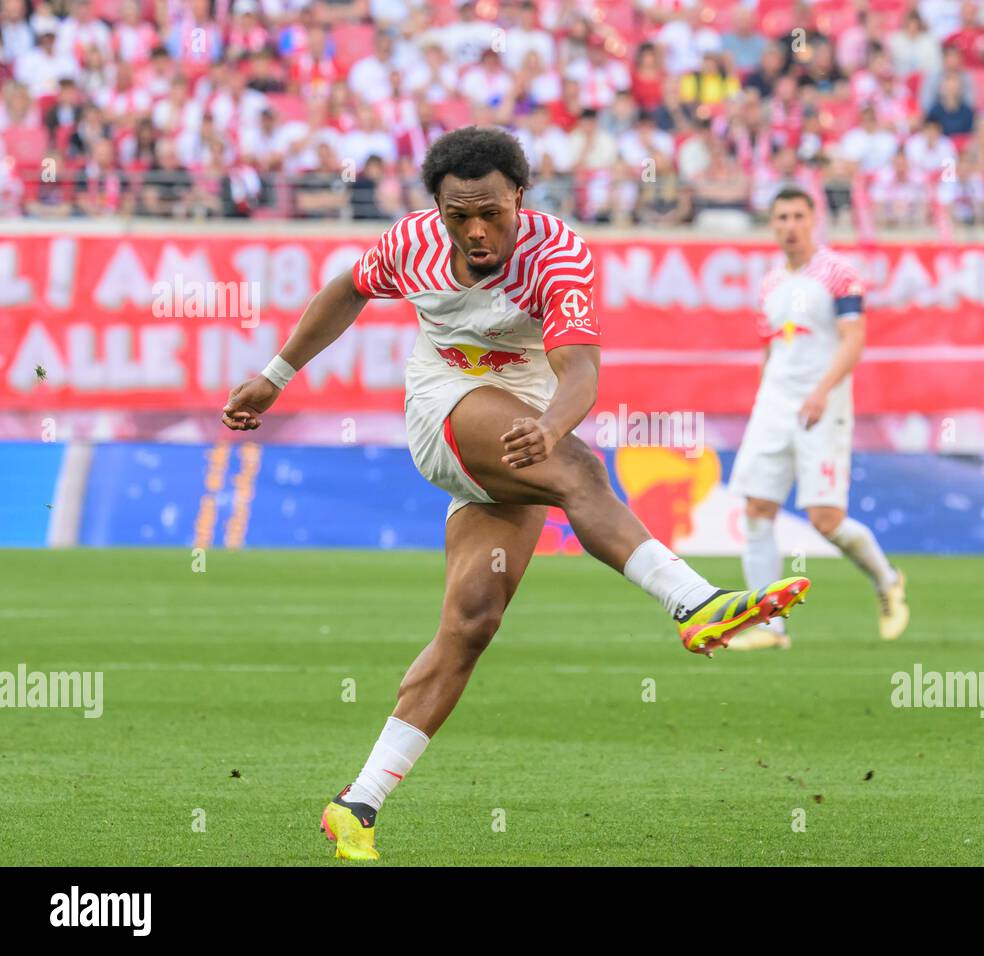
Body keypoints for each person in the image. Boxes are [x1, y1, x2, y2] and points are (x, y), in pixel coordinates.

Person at [219, 127, 811, 859]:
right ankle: (694, 602)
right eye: (457, 215)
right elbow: (347, 291)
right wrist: (274, 377)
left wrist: (550, 426)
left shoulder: (557, 253)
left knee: (472, 622)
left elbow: (580, 371)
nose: (475, 230)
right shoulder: (411, 243)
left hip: (523, 421)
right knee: (580, 472)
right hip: (444, 408)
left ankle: (357, 804)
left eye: (491, 213)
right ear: (436, 209)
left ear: (520, 199)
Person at [726, 186, 908, 652]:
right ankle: (769, 628)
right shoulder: (770, 283)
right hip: (774, 406)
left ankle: (887, 580)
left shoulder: (838, 274)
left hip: (822, 407)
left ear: (814, 220)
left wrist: (822, 391)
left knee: (826, 520)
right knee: (756, 510)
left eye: (798, 216)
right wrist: (762, 399)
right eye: (781, 217)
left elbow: (854, 339)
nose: (790, 226)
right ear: (772, 224)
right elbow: (771, 348)